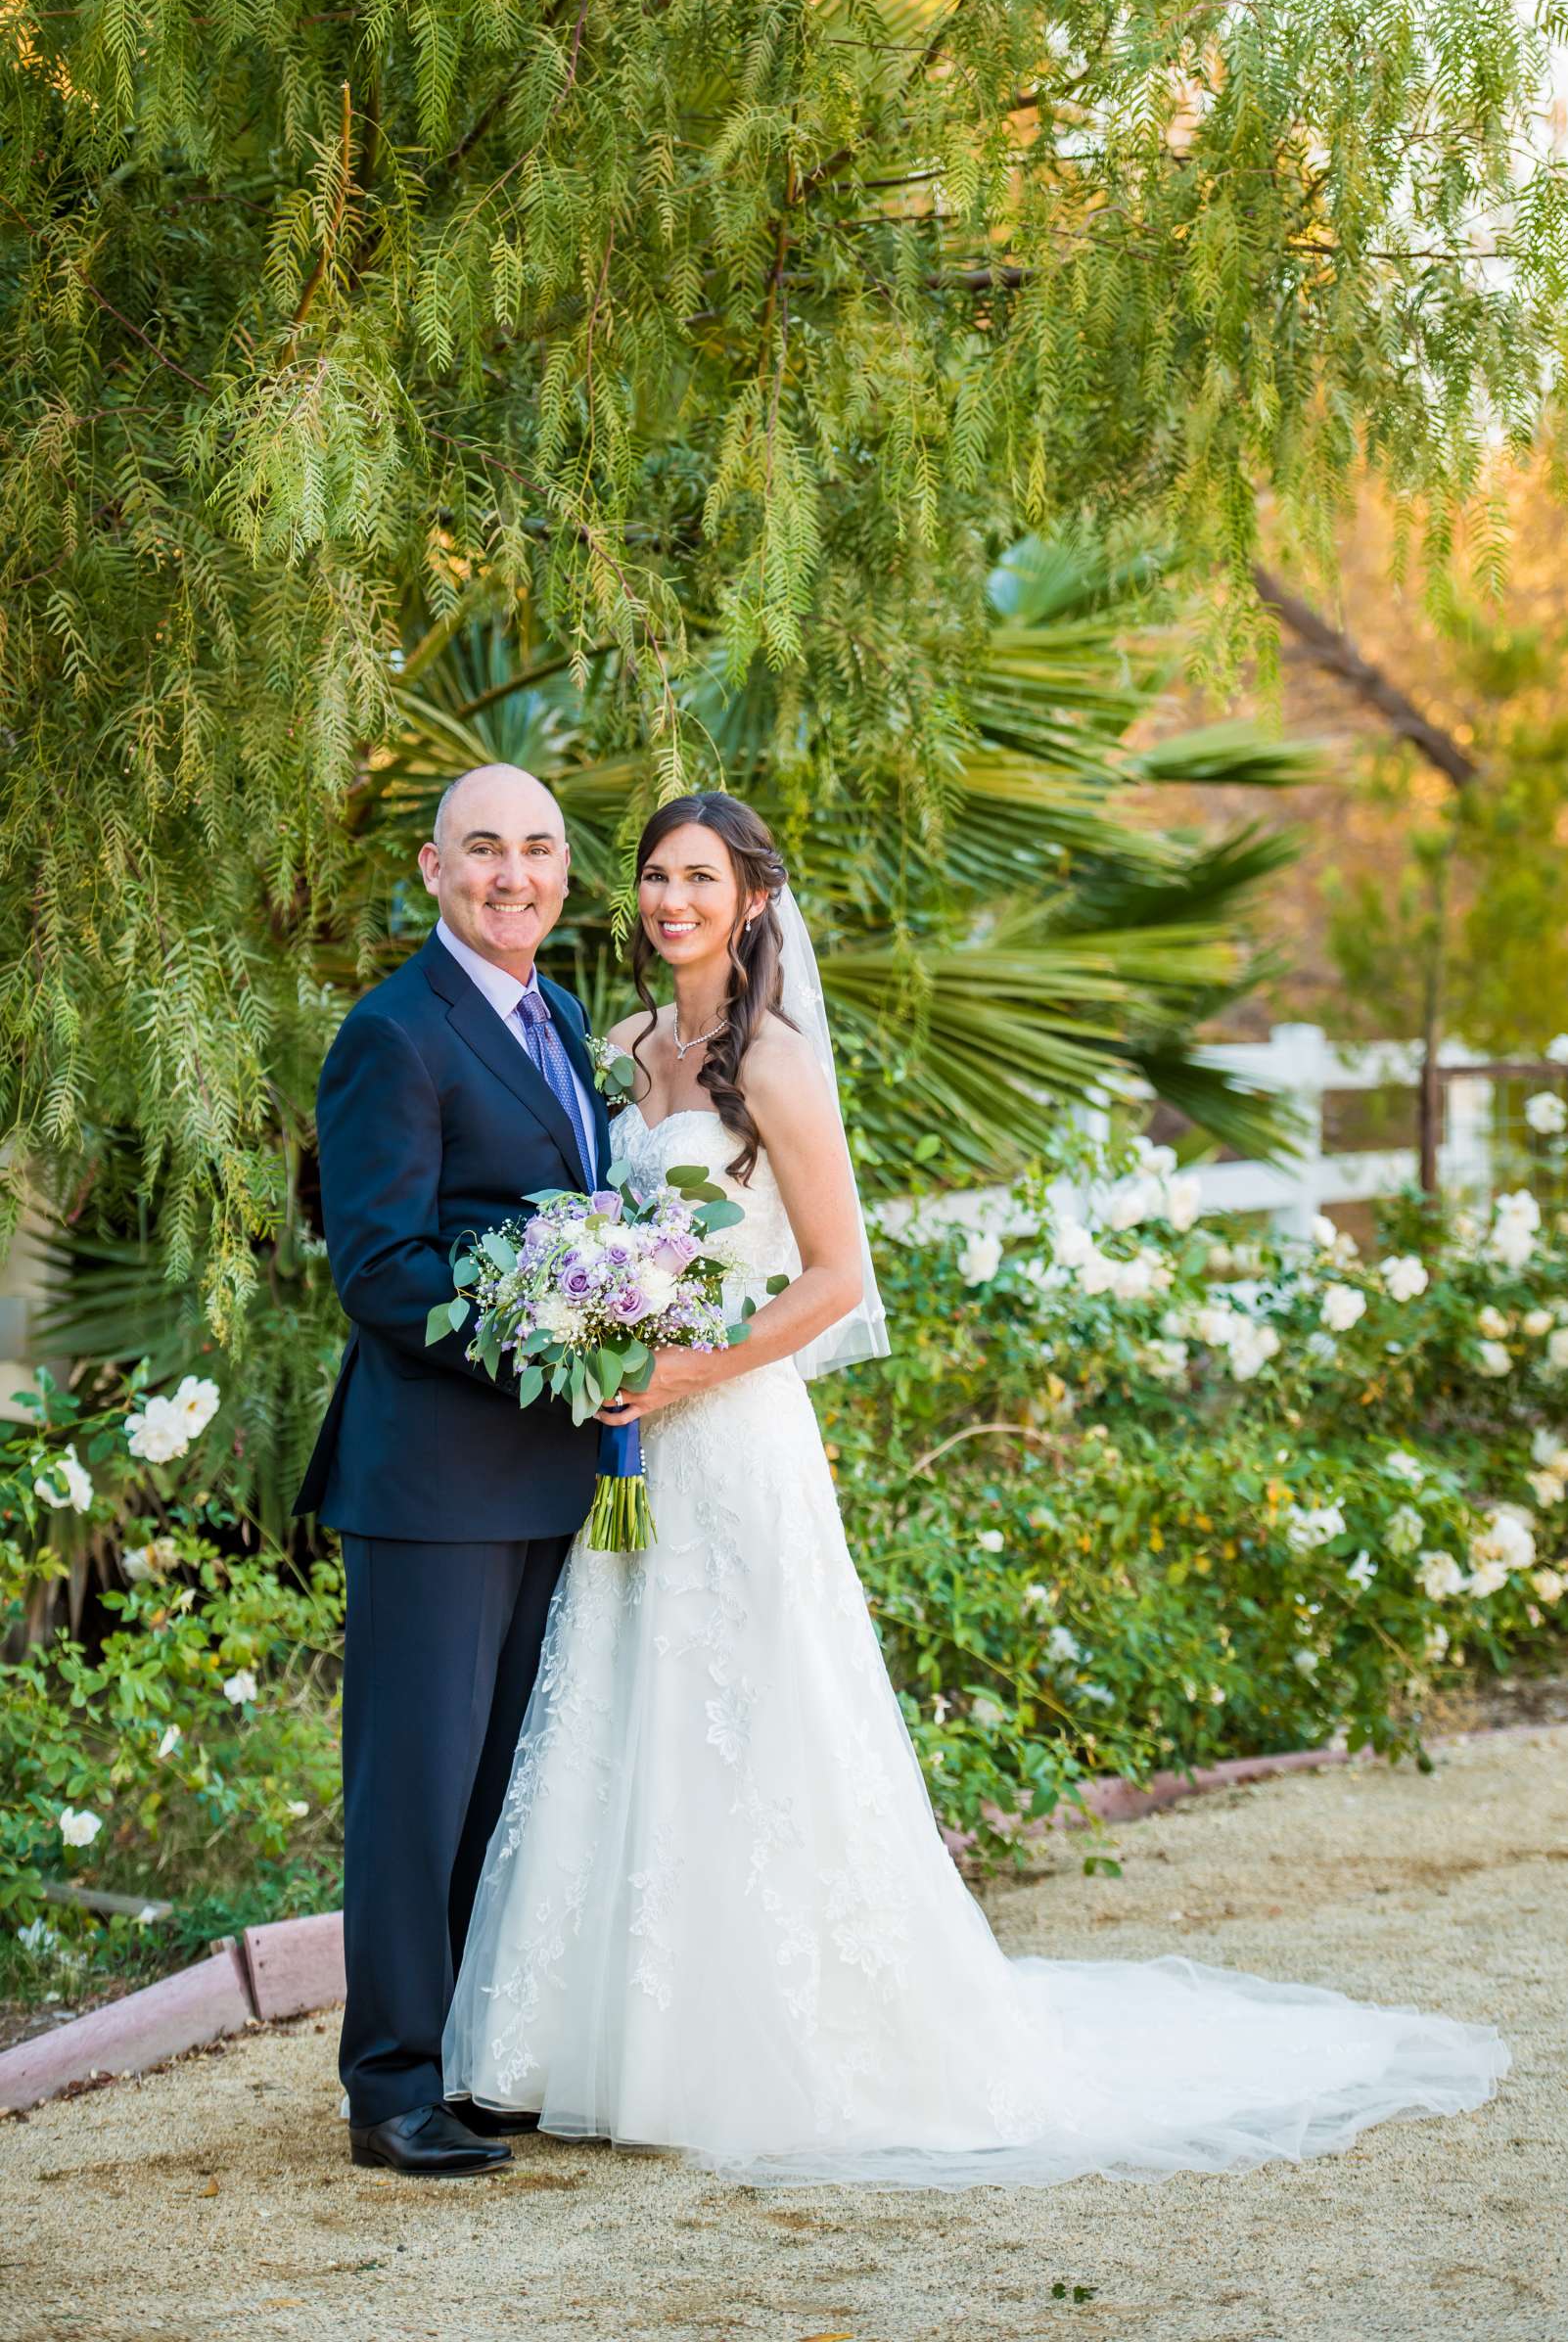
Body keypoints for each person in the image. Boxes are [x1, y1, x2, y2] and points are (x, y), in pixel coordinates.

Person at [441, 788, 1511, 2188]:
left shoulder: (773, 1062)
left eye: (699, 878)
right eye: (653, 877)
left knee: (760, 1720)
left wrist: (698, 1366)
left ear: (753, 899)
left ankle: (765, 2041)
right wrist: (600, 1323)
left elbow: (836, 1281)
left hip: (737, 1429)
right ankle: (581, 2041)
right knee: (621, 1706)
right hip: (634, 1441)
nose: (669, 901)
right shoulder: (623, 1048)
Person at [296, 762, 610, 2176]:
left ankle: (474, 2060)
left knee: (504, 1791)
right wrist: (554, 1343)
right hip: (429, 1482)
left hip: (549, 1478)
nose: (513, 875)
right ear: (432, 870)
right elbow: (383, 1269)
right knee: (415, 1800)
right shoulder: (394, 1033)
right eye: (483, 850)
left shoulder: (566, 1018)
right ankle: (391, 2090)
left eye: (536, 850)